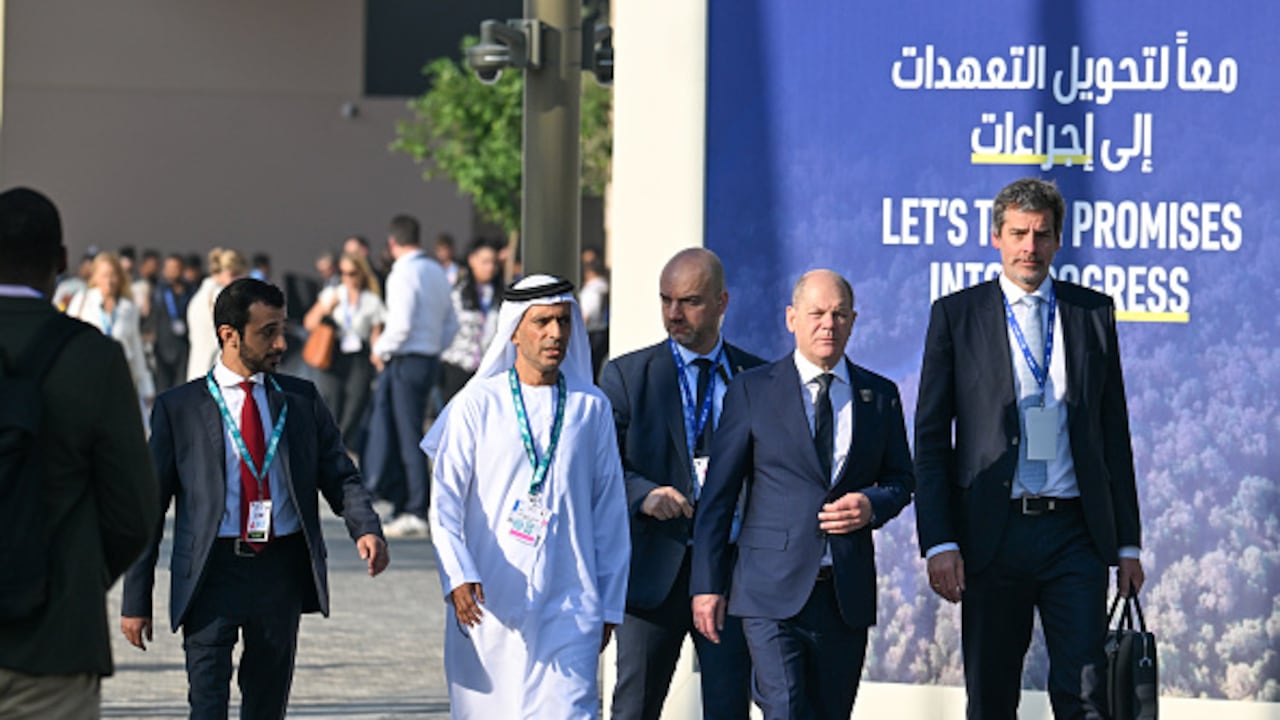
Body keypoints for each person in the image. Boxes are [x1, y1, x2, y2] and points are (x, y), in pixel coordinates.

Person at [914, 177, 1144, 719]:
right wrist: (939, 539)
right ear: (996, 237)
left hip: (1075, 535)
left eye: (1041, 235)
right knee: (991, 699)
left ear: (1058, 240)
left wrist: (1128, 543)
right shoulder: (957, 316)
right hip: (993, 536)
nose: (1029, 248)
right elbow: (930, 439)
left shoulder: (1092, 313)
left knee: (1085, 696)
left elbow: (1114, 434)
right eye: (1018, 233)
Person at [120, 277, 390, 720]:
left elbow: (339, 472)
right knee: (207, 706)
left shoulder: (301, 400)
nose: (281, 342)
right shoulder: (179, 409)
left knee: (267, 707)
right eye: (267, 332)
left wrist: (366, 527)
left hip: (278, 571)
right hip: (211, 572)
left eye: (282, 328)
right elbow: (147, 509)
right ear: (229, 335)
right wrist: (136, 600)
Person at [691, 269, 915, 720]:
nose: (827, 324)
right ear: (792, 318)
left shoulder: (880, 395)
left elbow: (901, 480)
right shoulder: (752, 390)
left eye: (838, 314)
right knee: (787, 709)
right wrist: (707, 585)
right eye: (816, 313)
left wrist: (872, 504)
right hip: (769, 593)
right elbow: (718, 497)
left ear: (853, 320)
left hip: (843, 596)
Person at [422, 274, 630, 718]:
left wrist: (610, 601)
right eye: (542, 322)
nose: (555, 334)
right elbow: (445, 502)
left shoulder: (590, 408)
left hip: (571, 603)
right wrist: (457, 574)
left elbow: (609, 511)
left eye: (563, 321)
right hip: (487, 604)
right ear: (514, 329)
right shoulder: (476, 404)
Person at [0, 187, 159, 719]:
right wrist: (76, 575)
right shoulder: (93, 358)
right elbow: (134, 510)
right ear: (63, 262)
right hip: (55, 638)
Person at [599, 248, 761, 720]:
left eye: (689, 301)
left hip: (730, 574)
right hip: (654, 573)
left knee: (729, 708)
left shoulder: (758, 377)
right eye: (665, 300)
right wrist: (643, 495)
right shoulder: (628, 377)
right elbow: (604, 466)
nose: (674, 313)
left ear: (721, 302)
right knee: (634, 707)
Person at [366, 214, 458, 538]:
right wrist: (435, 347)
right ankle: (409, 500)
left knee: (406, 436)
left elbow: (401, 323)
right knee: (414, 430)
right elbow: (452, 323)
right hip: (429, 358)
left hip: (406, 359)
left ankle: (415, 507)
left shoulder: (402, 273)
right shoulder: (436, 271)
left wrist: (381, 350)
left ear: (393, 243)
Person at [302, 252, 386, 446]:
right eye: (344, 273)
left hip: (359, 356)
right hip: (334, 353)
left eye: (352, 273)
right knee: (332, 401)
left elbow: (376, 333)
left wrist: (378, 357)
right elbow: (309, 322)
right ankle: (331, 447)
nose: (347, 278)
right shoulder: (333, 294)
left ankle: (343, 444)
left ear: (362, 273)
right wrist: (326, 308)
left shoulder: (370, 300)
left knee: (355, 402)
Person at [67, 251, 156, 412]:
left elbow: (136, 348)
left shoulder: (128, 309)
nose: (109, 281)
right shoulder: (82, 301)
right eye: (104, 275)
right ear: (94, 277)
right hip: (88, 377)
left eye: (113, 275)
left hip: (119, 380)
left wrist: (146, 388)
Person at [438, 238, 503, 402]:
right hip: (457, 365)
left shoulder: (499, 297)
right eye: (485, 262)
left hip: (485, 369)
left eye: (494, 263)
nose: (490, 267)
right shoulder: (457, 293)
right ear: (472, 260)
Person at [186, 248, 248, 381]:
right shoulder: (220, 296)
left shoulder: (198, 297)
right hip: (215, 371)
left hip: (198, 368)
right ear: (229, 273)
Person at [151, 253, 193, 393]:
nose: (171, 271)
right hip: (163, 346)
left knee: (181, 386)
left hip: (183, 346)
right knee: (163, 388)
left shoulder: (190, 290)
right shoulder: (159, 291)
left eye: (175, 267)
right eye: (168, 268)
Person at [579, 253, 610, 379]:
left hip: (592, 333)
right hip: (601, 330)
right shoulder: (604, 286)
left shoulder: (593, 290)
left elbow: (586, 314)